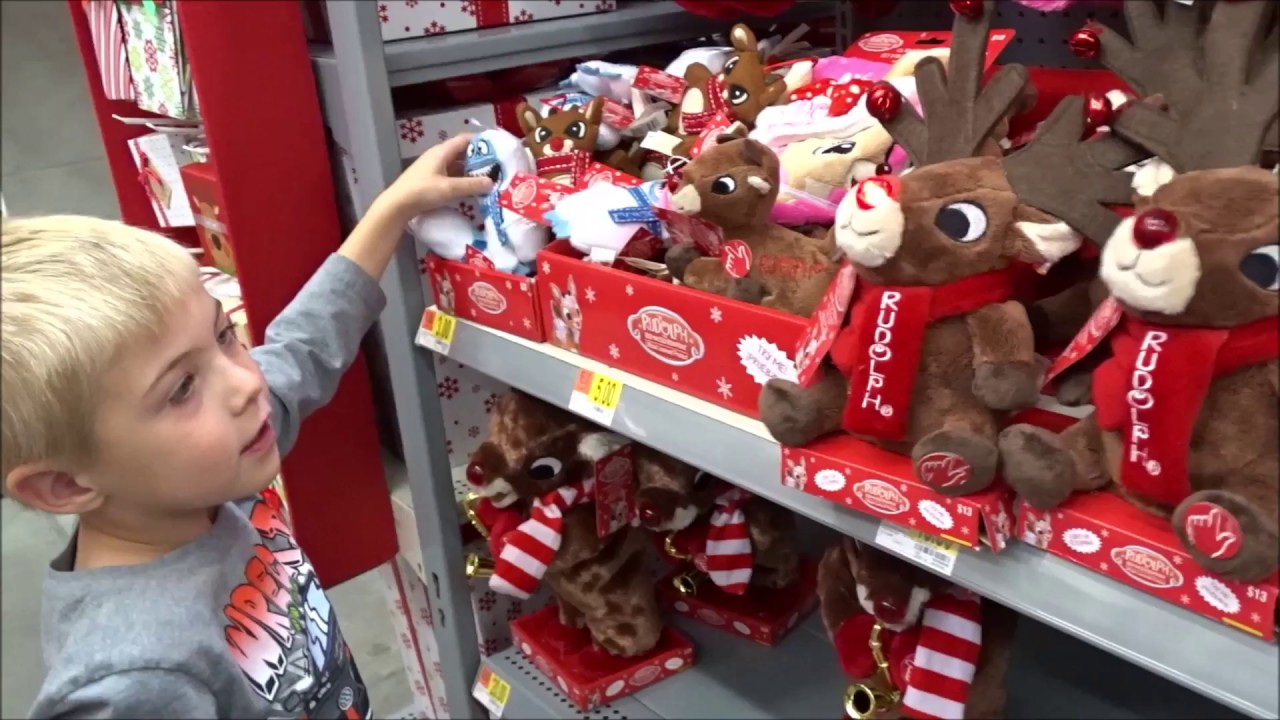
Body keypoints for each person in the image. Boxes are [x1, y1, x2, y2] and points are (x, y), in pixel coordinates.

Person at [1, 135, 491, 718]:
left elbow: (303, 346)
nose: (246, 383)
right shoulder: (135, 675)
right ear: (65, 485)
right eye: (181, 388)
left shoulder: (206, 475)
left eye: (222, 336)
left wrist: (392, 209)